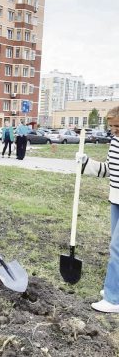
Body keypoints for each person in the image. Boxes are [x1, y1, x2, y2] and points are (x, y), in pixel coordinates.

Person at [77, 106, 119, 313]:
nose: (114, 131)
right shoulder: (115, 142)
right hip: (116, 199)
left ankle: (113, 299)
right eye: (111, 126)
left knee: (117, 249)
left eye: (117, 126)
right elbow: (109, 170)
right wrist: (86, 163)